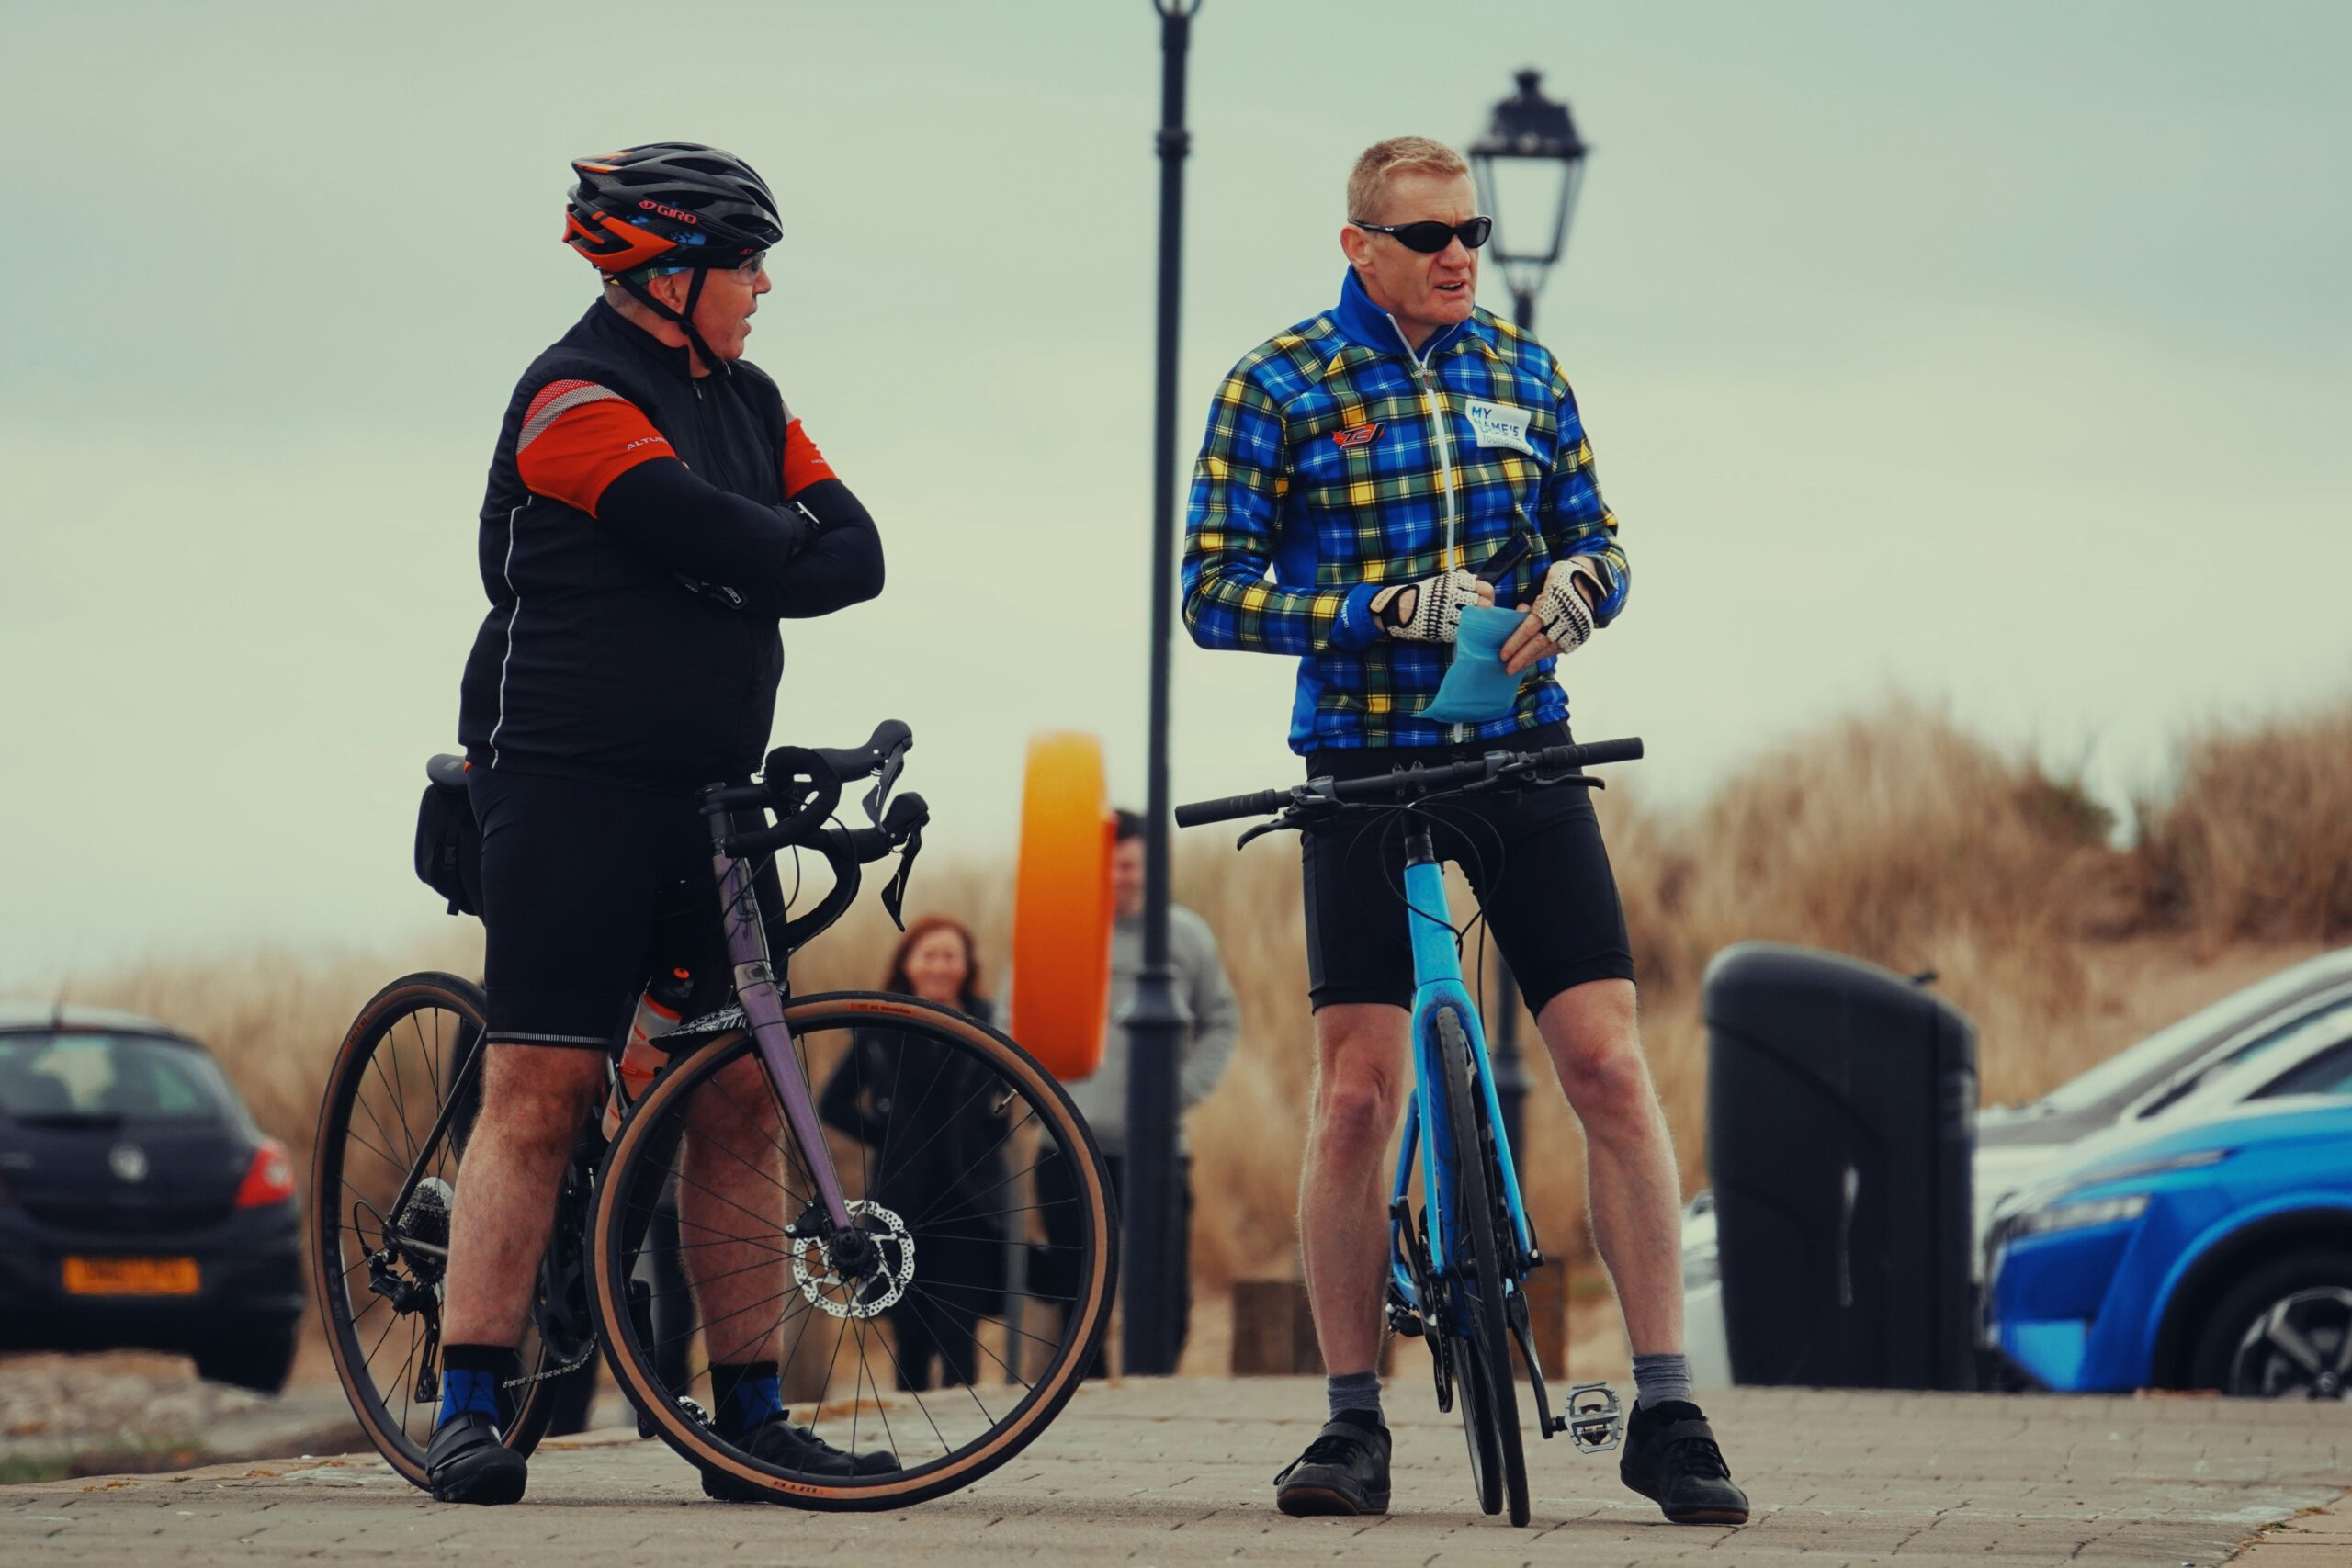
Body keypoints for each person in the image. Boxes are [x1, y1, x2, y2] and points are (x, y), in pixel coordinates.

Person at [1180, 136, 1748, 1526]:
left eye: (1472, 231)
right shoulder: (1279, 383)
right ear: (1356, 243)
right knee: (1359, 1091)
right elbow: (1211, 590)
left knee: (1610, 1064)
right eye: (1425, 233)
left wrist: (1578, 589)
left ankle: (1666, 1406)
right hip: (1362, 761)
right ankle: (1350, 1418)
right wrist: (1372, 609)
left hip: (1519, 749)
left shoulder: (1524, 372)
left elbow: (1605, 538)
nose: (1456, 255)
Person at [428, 142, 888, 1506]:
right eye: (744, 264)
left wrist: (750, 547)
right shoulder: (572, 397)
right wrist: (758, 547)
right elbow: (718, 531)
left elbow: (852, 554)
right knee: (543, 1087)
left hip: (711, 794)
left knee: (739, 1090)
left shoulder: (752, 398)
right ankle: (466, 1397)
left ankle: (747, 1413)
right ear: (663, 271)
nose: (760, 288)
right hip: (570, 785)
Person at [1040, 810, 1238, 1374]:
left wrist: (1173, 1095)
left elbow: (1221, 1022)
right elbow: (1015, 1020)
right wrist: (1049, 1098)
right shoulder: (1059, 932)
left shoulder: (1185, 935)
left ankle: (1156, 1397)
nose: (1116, 876)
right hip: (1067, 1151)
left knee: (1166, 1297)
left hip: (1157, 1152)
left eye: (1127, 864)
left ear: (1148, 865)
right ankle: (1086, 1405)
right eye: (1105, 865)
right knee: (1077, 1301)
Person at [819, 916, 1006, 1391]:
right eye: (929, 955)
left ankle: (967, 1439)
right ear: (907, 964)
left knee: (958, 1328)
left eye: (950, 956)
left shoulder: (989, 1024)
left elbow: (1011, 1101)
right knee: (909, 1333)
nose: (939, 966)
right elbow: (833, 1102)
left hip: (969, 1201)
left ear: (966, 966)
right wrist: (888, 1137)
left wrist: (983, 1137)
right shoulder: (881, 1025)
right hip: (902, 1200)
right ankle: (911, 1446)